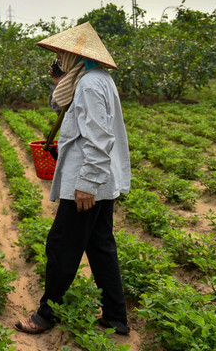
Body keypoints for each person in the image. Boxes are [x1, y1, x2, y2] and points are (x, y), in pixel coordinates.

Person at [15, 22, 132, 336]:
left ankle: (45, 315)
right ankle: (116, 316)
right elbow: (72, 109)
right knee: (100, 245)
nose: (58, 58)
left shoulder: (90, 85)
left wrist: (87, 184)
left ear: (75, 56)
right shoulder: (93, 79)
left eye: (62, 54)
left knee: (61, 246)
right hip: (96, 183)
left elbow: (99, 138)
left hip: (87, 185)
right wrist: (59, 80)